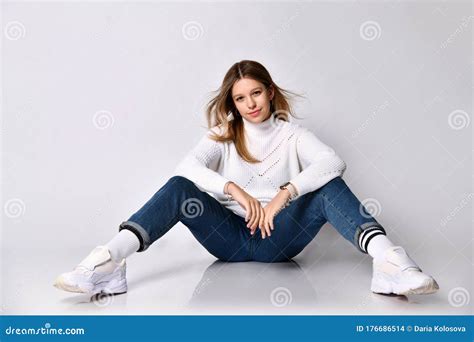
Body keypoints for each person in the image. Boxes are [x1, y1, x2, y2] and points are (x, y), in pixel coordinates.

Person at [54, 60, 439, 297]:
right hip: (228, 239)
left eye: (257, 93)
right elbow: (186, 167)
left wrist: (284, 194)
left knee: (328, 188)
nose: (251, 104)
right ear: (232, 103)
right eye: (241, 98)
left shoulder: (293, 135)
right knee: (179, 188)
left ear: (270, 93)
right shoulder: (222, 135)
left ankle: (391, 264)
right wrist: (233, 189)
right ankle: (108, 264)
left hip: (278, 239)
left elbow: (332, 162)